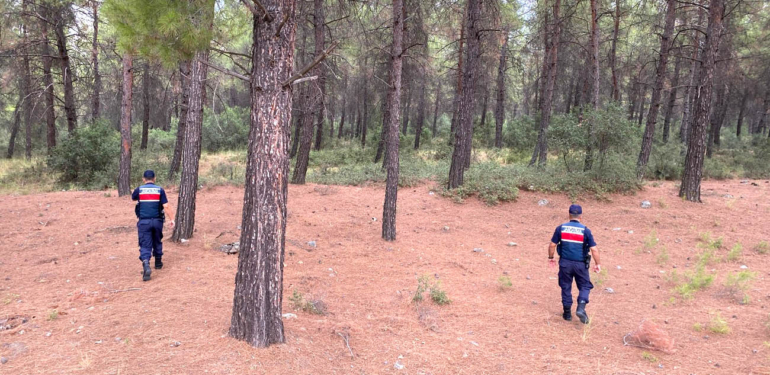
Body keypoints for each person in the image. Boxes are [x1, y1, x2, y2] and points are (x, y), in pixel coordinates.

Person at [548, 204, 601, 324]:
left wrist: (551, 258)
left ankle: (567, 314)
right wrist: (597, 264)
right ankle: (581, 307)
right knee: (585, 286)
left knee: (566, 286)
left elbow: (552, 245)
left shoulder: (561, 228)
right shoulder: (585, 230)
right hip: (580, 264)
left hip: (565, 263)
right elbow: (594, 250)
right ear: (581, 216)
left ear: (569, 215)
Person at [131, 170, 174, 281]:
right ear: (154, 178)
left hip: (144, 222)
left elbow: (133, 198)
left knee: (145, 244)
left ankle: (146, 264)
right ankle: (158, 262)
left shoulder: (139, 189)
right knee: (157, 240)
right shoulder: (160, 190)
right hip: (157, 221)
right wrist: (172, 219)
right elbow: (166, 206)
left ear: (143, 179)